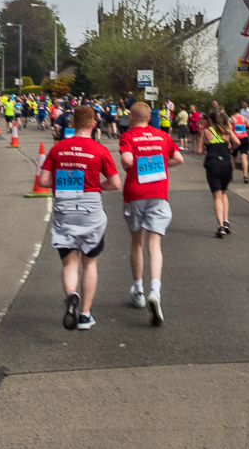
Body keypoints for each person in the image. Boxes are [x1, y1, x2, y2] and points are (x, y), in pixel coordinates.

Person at [38, 105, 121, 331]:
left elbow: (43, 182)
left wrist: (65, 186)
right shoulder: (99, 149)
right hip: (91, 211)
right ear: (94, 124)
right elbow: (115, 183)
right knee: (90, 262)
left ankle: (71, 294)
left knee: (70, 262)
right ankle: (84, 314)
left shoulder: (58, 149)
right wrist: (96, 187)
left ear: (72, 123)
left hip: (65, 211)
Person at [118, 101, 184, 326]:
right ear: (149, 117)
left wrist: (132, 164)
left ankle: (138, 290)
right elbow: (179, 158)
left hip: (135, 193)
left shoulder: (128, 136)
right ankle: (155, 290)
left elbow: (127, 160)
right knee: (154, 246)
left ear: (131, 117)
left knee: (136, 243)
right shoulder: (162, 136)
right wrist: (160, 163)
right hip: (158, 193)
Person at [203, 109, 239, 237]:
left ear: (210, 120)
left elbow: (199, 150)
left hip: (213, 165)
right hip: (226, 164)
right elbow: (237, 142)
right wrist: (229, 150)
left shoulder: (206, 132)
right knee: (224, 193)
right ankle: (226, 221)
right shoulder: (227, 131)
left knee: (216, 196)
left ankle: (220, 227)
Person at [230, 105, 249, 184]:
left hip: (235, 140)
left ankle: (231, 176)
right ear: (239, 111)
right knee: (244, 159)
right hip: (244, 139)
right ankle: (246, 176)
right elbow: (248, 128)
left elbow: (229, 131)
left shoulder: (231, 119)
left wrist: (229, 141)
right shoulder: (244, 118)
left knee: (233, 159)